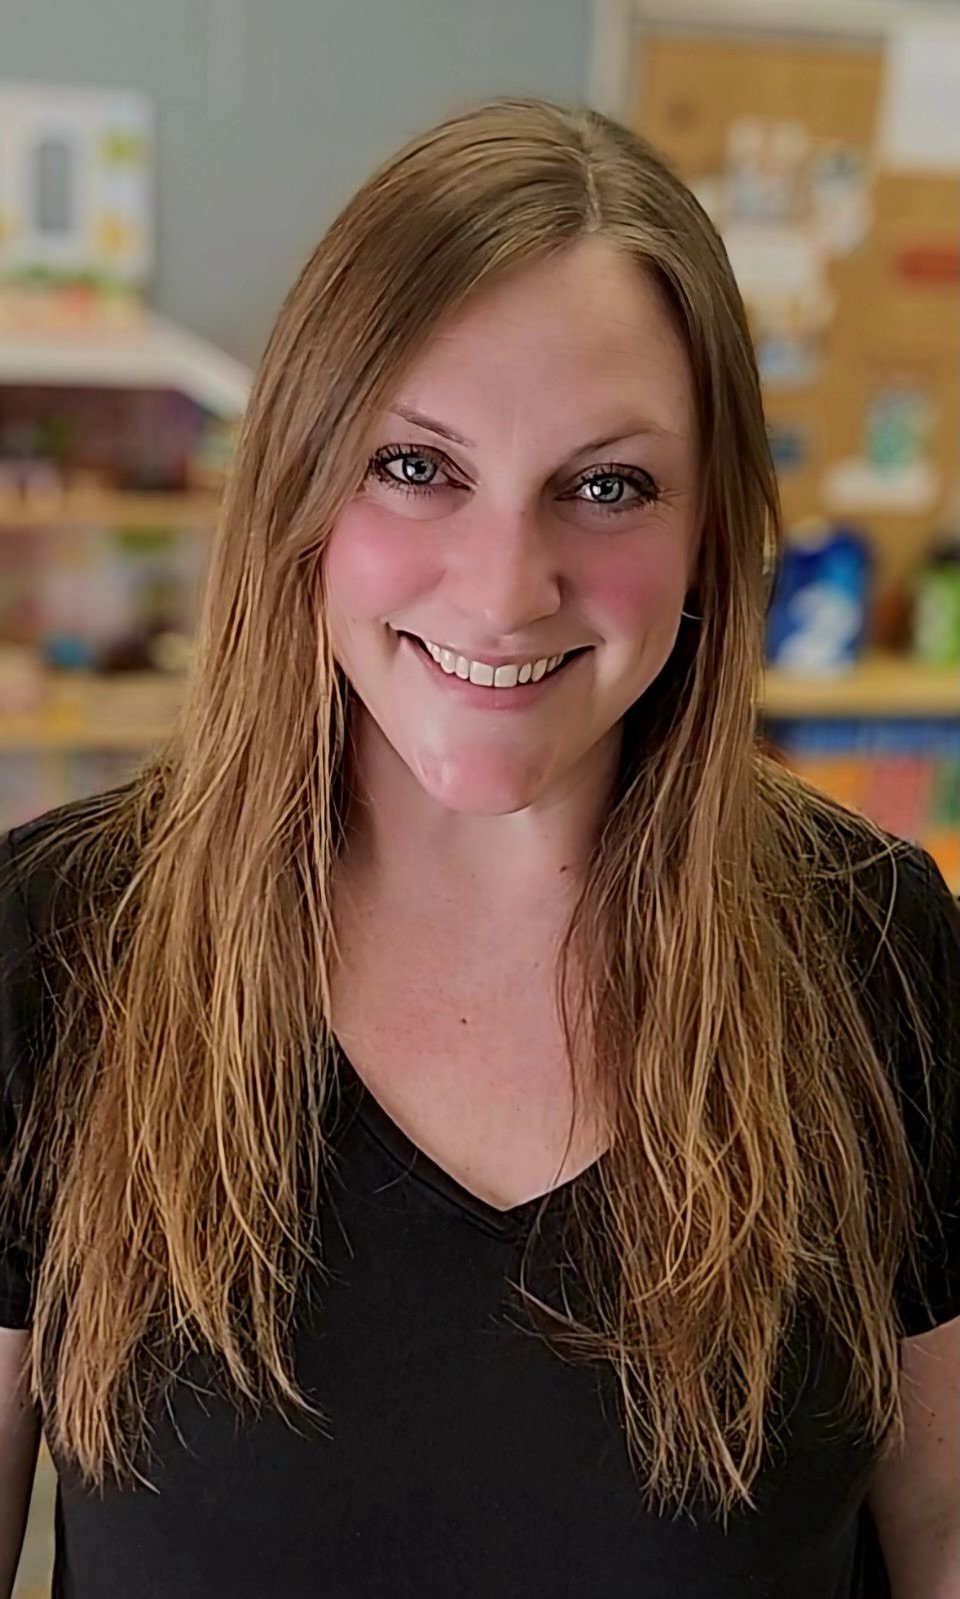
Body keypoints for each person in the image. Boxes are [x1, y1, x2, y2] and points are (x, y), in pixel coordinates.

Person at [1, 97, 958, 1599]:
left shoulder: (877, 951)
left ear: (714, 531)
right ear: (300, 490)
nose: (507, 588)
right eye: (416, 466)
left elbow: (945, 1531)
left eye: (608, 484)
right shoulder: (52, 945)